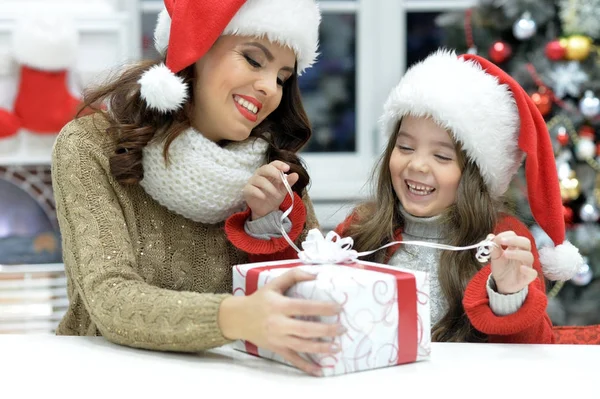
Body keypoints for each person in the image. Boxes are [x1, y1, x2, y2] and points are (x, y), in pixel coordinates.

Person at [52, 0, 343, 377]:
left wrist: (268, 227)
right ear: (195, 51)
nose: (270, 88)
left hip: (236, 381)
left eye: (282, 78)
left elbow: (314, 294)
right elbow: (110, 300)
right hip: (106, 378)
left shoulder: (275, 170)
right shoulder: (89, 146)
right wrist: (235, 317)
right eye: (254, 60)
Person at [331, 49, 583, 343]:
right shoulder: (361, 228)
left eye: (441, 155)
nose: (417, 165)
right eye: (406, 147)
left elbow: (531, 353)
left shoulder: (503, 242)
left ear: (474, 176)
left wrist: (510, 296)